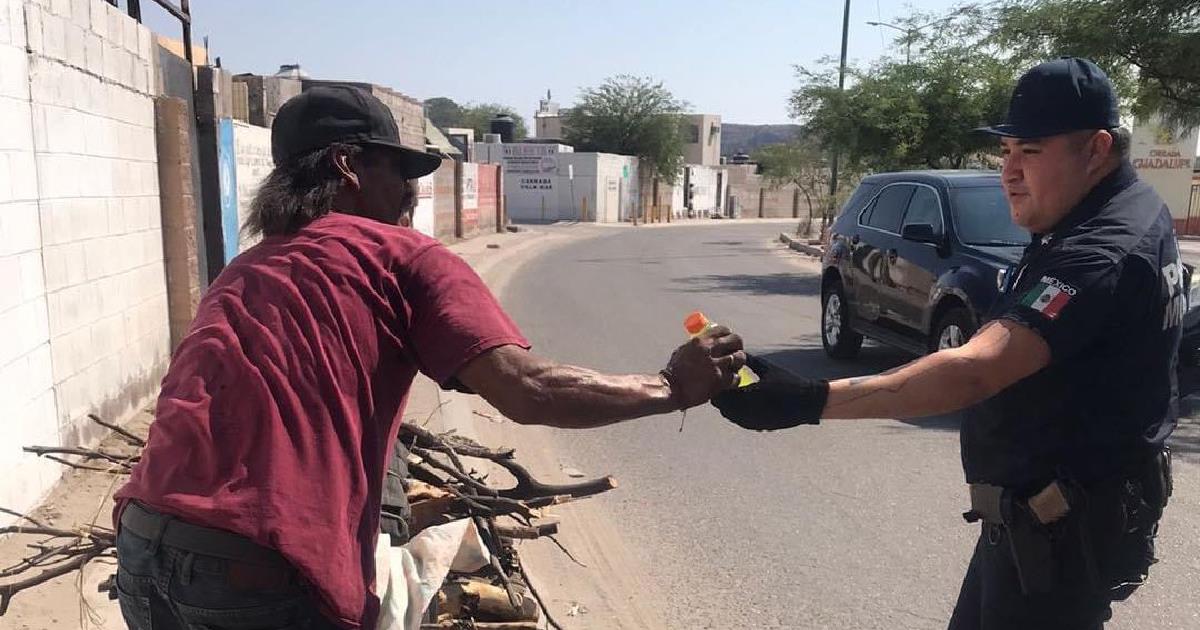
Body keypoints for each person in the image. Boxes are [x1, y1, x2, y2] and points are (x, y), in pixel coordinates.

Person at [111, 85, 746, 630]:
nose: (414, 193)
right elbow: (527, 391)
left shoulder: (244, 269)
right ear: (347, 165)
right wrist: (671, 386)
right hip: (258, 571)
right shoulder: (403, 258)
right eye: (404, 172)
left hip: (143, 546)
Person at [714, 58, 1177, 630]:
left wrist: (805, 399)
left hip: (1062, 533)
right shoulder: (1128, 208)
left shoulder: (1100, 248)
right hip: (1038, 523)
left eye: (1029, 152)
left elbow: (975, 372)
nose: (1009, 171)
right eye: (1005, 151)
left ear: (1096, 149)